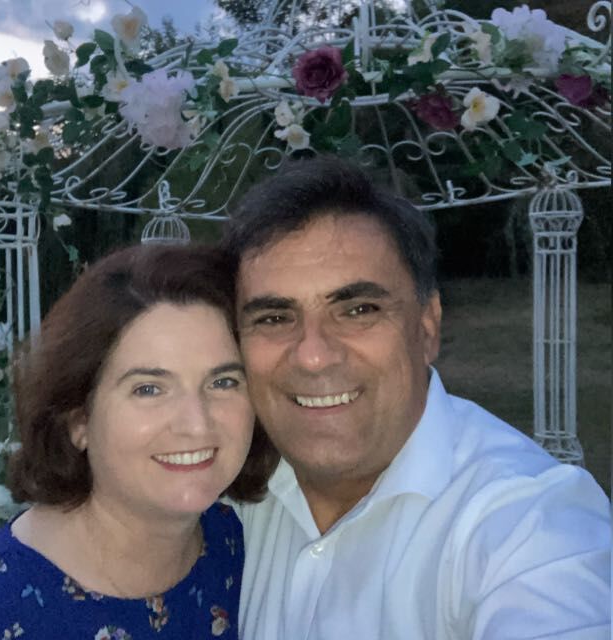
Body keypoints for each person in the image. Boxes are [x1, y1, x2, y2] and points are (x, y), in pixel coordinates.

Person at [223, 155, 611, 640]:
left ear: (427, 327)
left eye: (358, 310)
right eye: (275, 318)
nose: (314, 356)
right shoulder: (222, 487)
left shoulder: (529, 521)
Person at [0, 244, 274, 638]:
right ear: (78, 418)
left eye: (223, 382)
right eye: (149, 389)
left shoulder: (238, 545)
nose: (197, 425)